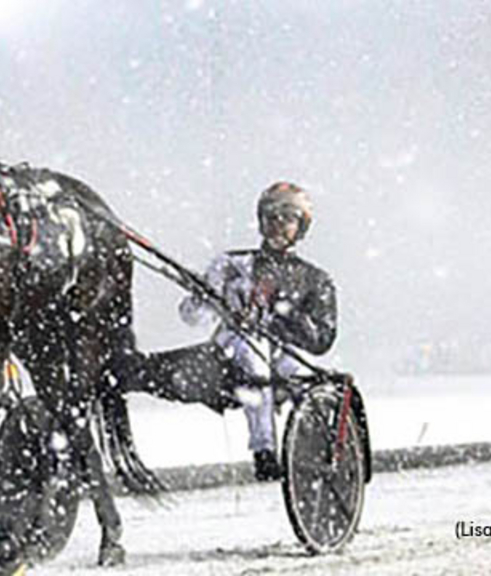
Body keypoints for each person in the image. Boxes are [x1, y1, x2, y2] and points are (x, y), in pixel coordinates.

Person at [118, 182, 337, 481]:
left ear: (302, 226)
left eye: (288, 218)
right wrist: (205, 294)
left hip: (285, 359)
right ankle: (264, 451)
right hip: (233, 356)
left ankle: (306, 448)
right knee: (251, 352)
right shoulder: (232, 264)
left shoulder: (315, 279)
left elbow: (321, 340)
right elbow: (192, 317)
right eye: (271, 216)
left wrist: (280, 311)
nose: (278, 225)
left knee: (284, 363)